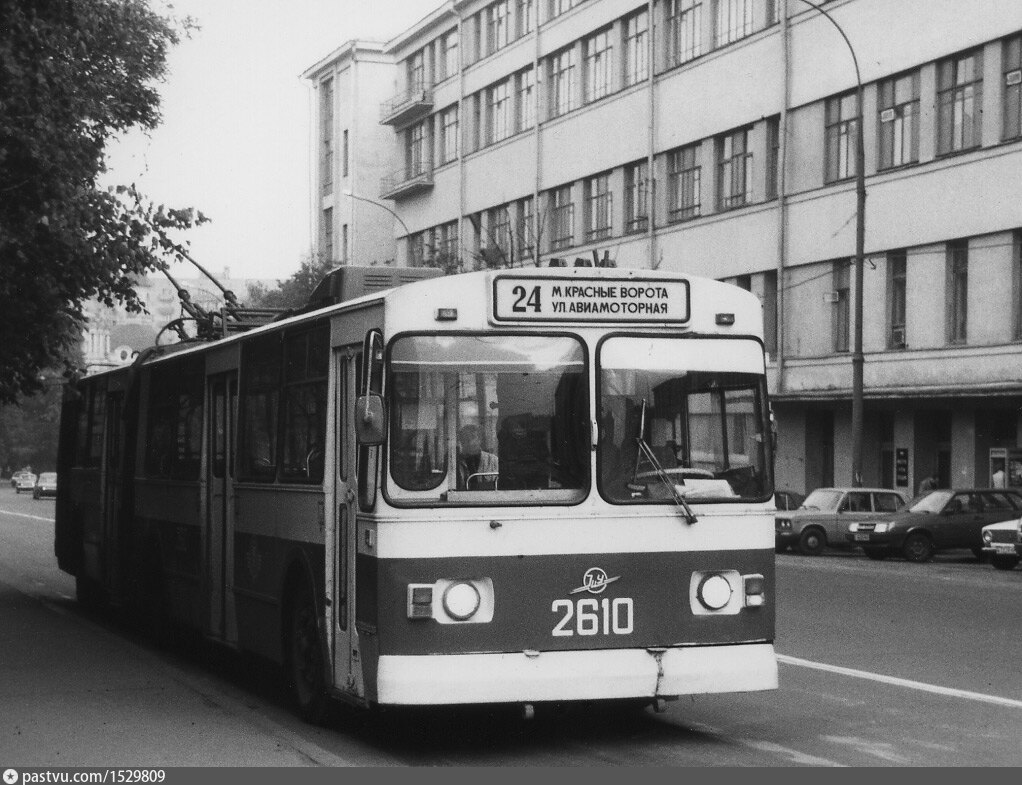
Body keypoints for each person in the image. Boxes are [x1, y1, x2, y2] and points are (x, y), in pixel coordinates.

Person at [456, 424, 498, 490]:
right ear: (461, 442)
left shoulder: (493, 460)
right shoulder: (455, 463)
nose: (470, 442)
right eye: (465, 438)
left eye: (473, 437)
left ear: (480, 439)